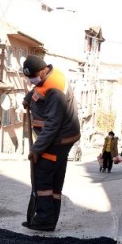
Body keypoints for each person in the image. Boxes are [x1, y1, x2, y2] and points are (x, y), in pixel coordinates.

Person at [21, 55, 80, 231]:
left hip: (58, 139)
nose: (32, 80)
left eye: (33, 76)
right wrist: (28, 97)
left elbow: (53, 124)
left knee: (42, 175)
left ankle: (45, 220)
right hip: (61, 138)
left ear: (44, 70)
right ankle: (49, 219)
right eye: (29, 77)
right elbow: (39, 88)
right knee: (54, 177)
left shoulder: (55, 90)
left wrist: (37, 149)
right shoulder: (48, 78)